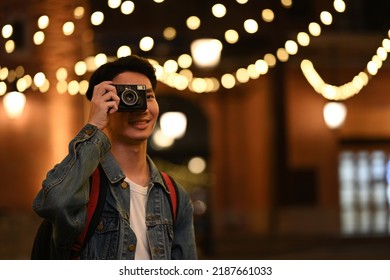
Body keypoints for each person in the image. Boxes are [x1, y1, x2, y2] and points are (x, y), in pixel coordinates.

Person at [32, 55, 197, 260]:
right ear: (104, 104)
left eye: (148, 96)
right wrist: (94, 126)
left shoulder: (174, 196)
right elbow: (53, 203)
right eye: (127, 96)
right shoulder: (83, 186)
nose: (142, 107)